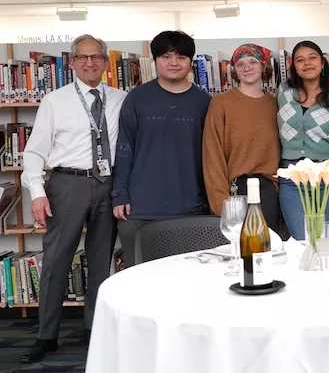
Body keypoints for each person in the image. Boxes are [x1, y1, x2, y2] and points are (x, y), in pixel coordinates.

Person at [19, 34, 127, 362]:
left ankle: (94, 329)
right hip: (68, 183)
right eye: (83, 57)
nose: (90, 63)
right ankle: (47, 335)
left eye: (96, 57)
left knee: (100, 261)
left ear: (106, 63)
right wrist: (37, 194)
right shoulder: (56, 100)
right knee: (56, 260)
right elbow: (34, 151)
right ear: (72, 62)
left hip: (108, 184)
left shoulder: (123, 99)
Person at [111, 30, 212, 268]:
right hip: (139, 208)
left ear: (190, 62)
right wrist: (120, 194)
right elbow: (124, 147)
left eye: (181, 57)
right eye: (166, 56)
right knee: (139, 281)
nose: (174, 63)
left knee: (185, 279)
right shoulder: (137, 98)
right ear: (155, 60)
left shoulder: (205, 103)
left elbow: (212, 156)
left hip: (190, 209)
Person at [276, 40, 329, 239]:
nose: (307, 63)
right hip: (292, 176)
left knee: (327, 241)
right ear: (294, 67)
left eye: (312, 58)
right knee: (302, 242)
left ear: (322, 63)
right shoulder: (283, 92)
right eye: (300, 60)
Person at [202, 44, 281, 231]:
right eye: (240, 64)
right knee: (238, 253)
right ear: (234, 71)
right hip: (235, 192)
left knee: (267, 252)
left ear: (263, 66)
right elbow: (212, 153)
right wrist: (221, 201)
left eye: (253, 62)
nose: (247, 68)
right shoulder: (221, 103)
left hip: (268, 191)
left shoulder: (275, 104)